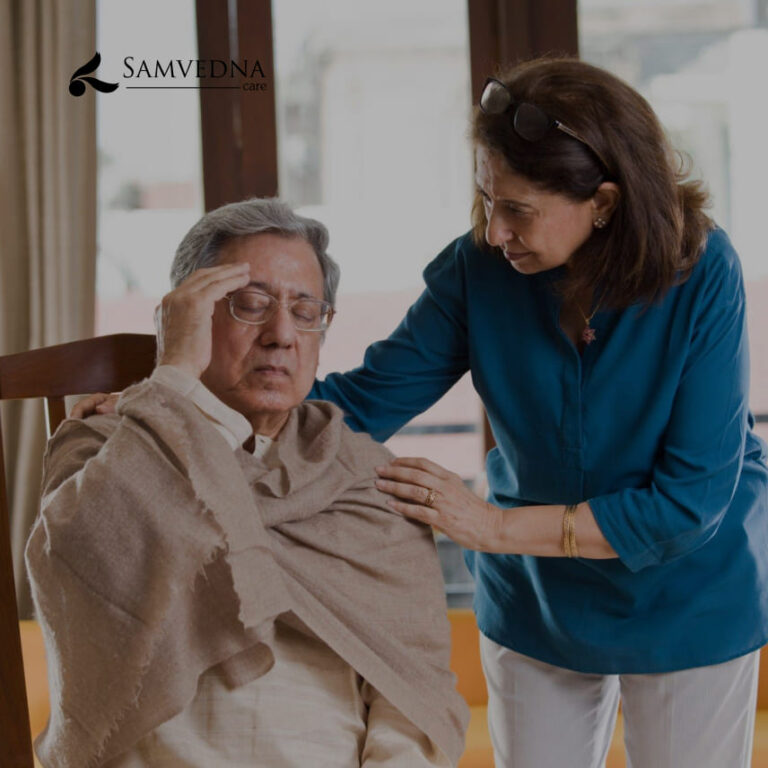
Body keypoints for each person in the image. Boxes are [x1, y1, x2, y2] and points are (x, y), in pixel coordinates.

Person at [305, 58, 768, 768]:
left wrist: (490, 526)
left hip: (689, 592)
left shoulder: (702, 271)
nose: (495, 231)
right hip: (535, 592)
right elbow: (361, 403)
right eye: (487, 199)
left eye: (518, 209)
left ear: (604, 203)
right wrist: (193, 407)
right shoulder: (478, 270)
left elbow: (688, 503)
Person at [25, 199, 467, 768]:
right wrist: (171, 386)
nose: (281, 334)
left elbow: (411, 696)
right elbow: (80, 559)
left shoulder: (367, 479)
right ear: (186, 316)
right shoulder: (105, 443)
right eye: (251, 305)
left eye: (305, 311)